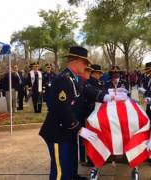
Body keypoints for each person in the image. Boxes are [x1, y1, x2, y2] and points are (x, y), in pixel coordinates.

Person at [39, 46, 127, 180]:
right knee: (60, 170)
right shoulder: (63, 79)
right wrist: (78, 128)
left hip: (68, 130)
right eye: (85, 63)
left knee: (70, 160)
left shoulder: (75, 78)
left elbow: (88, 90)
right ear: (76, 61)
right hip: (58, 132)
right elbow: (63, 109)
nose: (87, 66)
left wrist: (108, 97)